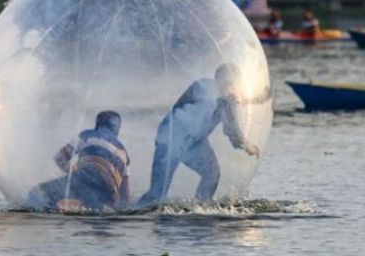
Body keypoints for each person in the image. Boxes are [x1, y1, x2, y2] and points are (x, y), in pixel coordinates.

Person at [138, 64, 261, 206]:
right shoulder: (202, 88)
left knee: (212, 173)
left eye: (230, 82)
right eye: (226, 81)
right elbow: (177, 112)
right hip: (171, 139)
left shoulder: (226, 99)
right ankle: (133, 214)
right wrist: (249, 147)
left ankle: (200, 207)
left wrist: (245, 144)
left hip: (194, 142)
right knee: (157, 193)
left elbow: (231, 132)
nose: (228, 85)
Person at [26, 111, 130, 212]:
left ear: (97, 124)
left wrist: (73, 171)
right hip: (107, 194)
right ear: (117, 129)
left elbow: (60, 158)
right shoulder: (124, 153)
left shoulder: (87, 135)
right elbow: (125, 196)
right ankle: (77, 203)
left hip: (84, 178)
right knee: (92, 206)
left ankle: (57, 209)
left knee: (36, 193)